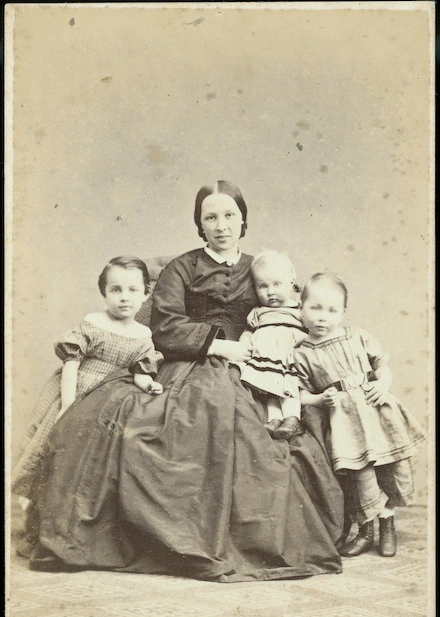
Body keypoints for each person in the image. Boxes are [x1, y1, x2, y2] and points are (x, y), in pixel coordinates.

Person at [29, 181, 344, 580]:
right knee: (157, 424)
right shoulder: (182, 267)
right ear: (200, 224)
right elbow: (165, 324)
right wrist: (217, 347)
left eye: (229, 215)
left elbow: (291, 308)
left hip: (254, 365)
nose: (221, 225)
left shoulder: (260, 268)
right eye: (210, 217)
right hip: (188, 361)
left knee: (258, 442)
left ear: (243, 219)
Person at [13, 256, 163, 555]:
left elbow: (139, 372)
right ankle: (35, 515)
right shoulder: (93, 323)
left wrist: (150, 384)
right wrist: (68, 403)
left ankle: (69, 523)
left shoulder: (143, 335)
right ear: (104, 292)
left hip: (103, 402)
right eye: (116, 289)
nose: (124, 297)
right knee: (51, 453)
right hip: (73, 392)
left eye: (133, 290)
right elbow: (72, 363)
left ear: (146, 294)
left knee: (82, 463)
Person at [293, 272, 426, 558]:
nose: (322, 317)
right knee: (359, 474)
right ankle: (366, 531)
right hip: (343, 422)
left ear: (342, 313)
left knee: (386, 468)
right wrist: (318, 398)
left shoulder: (357, 337)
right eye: (314, 308)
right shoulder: (301, 353)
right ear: (300, 307)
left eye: (332, 310)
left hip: (374, 410)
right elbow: (299, 394)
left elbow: (382, 367)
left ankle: (387, 523)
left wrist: (383, 383)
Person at [237, 250, 306, 440]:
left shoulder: (300, 310)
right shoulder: (258, 312)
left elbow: (313, 332)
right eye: (262, 286)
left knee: (288, 384)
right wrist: (243, 347)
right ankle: (275, 419)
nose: (270, 291)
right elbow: (248, 332)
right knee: (269, 388)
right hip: (265, 357)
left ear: (292, 281)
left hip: (289, 356)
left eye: (277, 284)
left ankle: (292, 419)